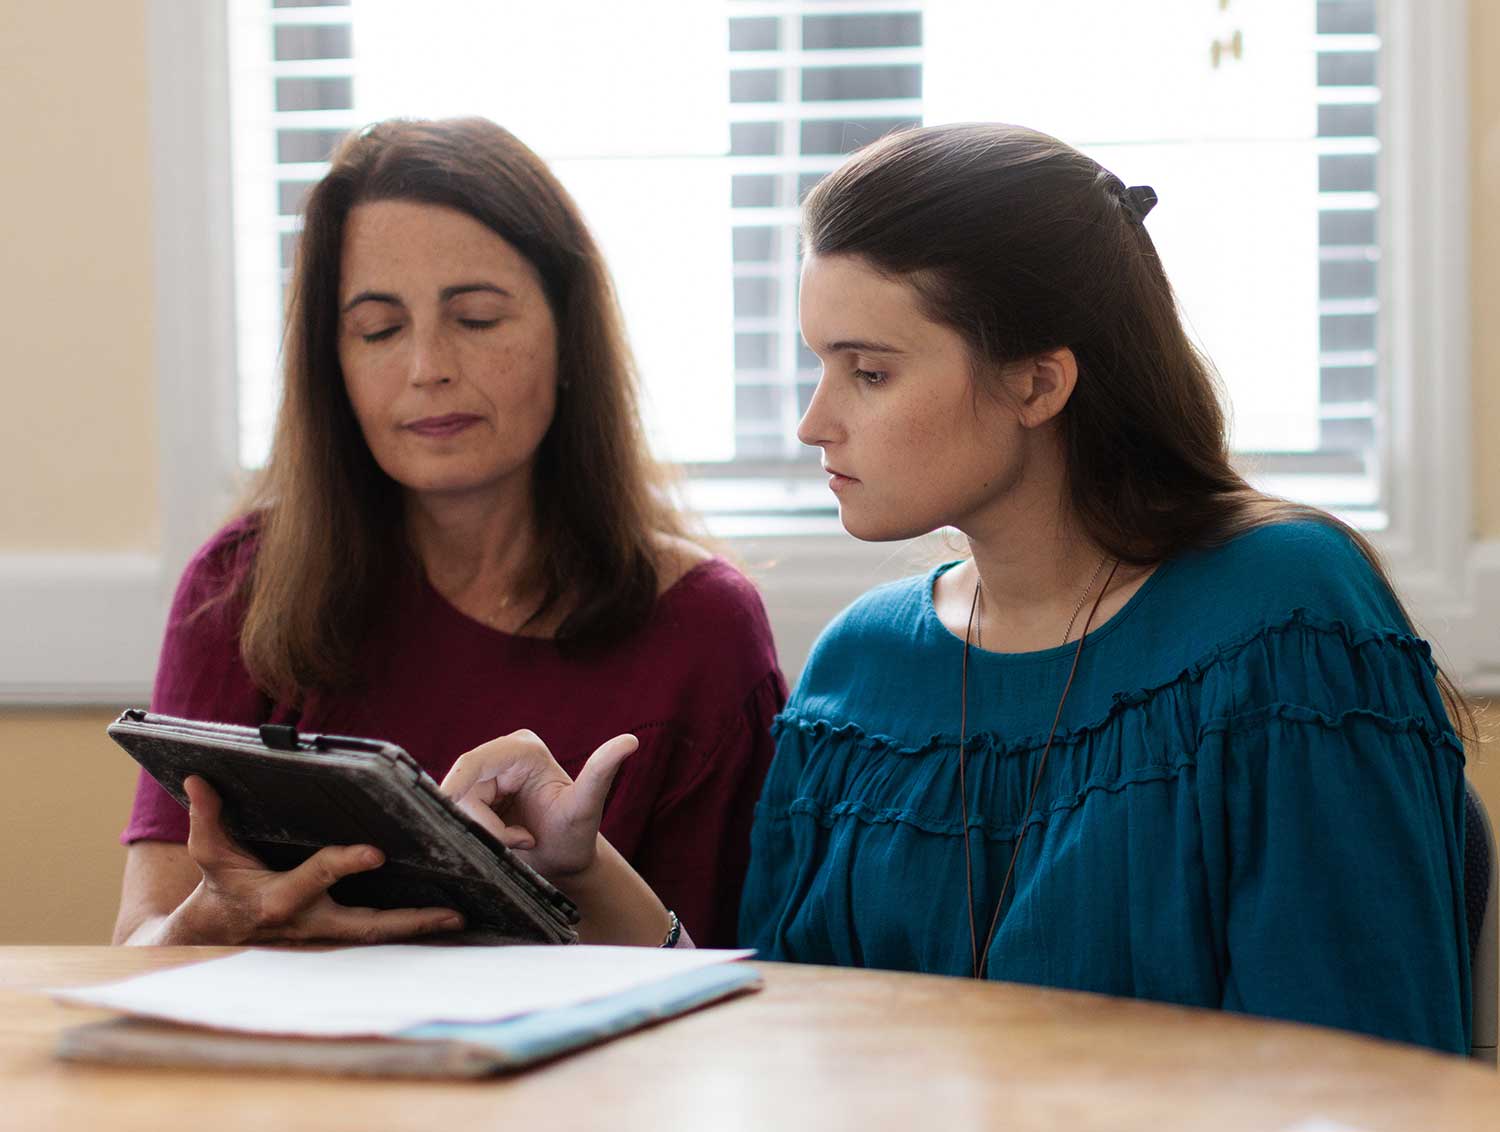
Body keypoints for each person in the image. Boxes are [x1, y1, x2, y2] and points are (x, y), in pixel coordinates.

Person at [436, 123, 1476, 1055]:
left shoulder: (1284, 612)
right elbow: (790, 1049)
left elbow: (1361, 1072)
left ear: (1039, 381)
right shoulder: (861, 664)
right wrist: (581, 873)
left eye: (869, 370)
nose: (814, 422)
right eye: (818, 364)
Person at [113, 118, 785, 949]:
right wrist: (208, 924)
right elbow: (137, 945)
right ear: (334, 363)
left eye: (475, 318)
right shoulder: (240, 584)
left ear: (569, 337)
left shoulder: (704, 629)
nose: (428, 365)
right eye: (379, 329)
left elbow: (727, 994)